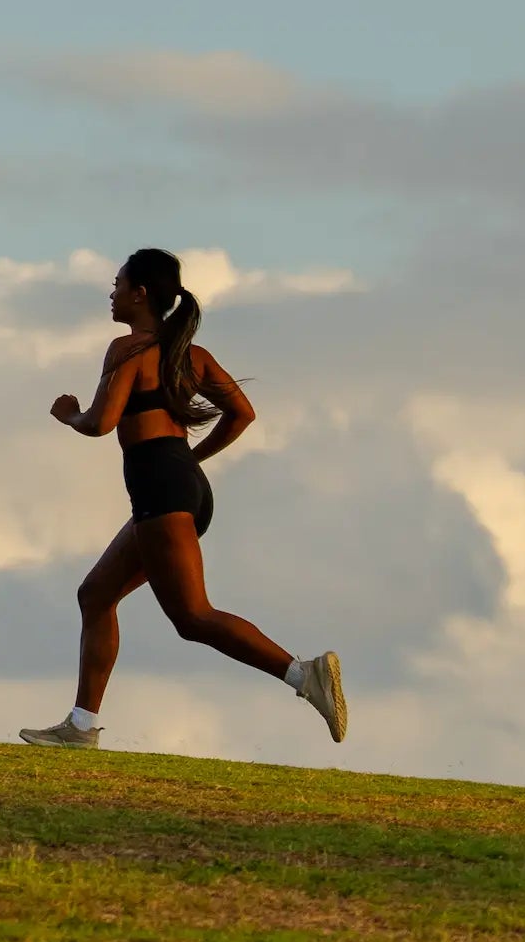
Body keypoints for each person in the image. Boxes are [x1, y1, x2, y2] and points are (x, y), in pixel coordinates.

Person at [20, 245, 347, 749]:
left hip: (160, 486)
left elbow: (101, 423)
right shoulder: (193, 356)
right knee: (96, 595)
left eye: (118, 284)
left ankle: (304, 676)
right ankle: (81, 728)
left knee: (193, 616)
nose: (111, 293)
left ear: (140, 293)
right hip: (183, 483)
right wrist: (193, 463)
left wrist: (68, 414)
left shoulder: (125, 350)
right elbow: (243, 414)